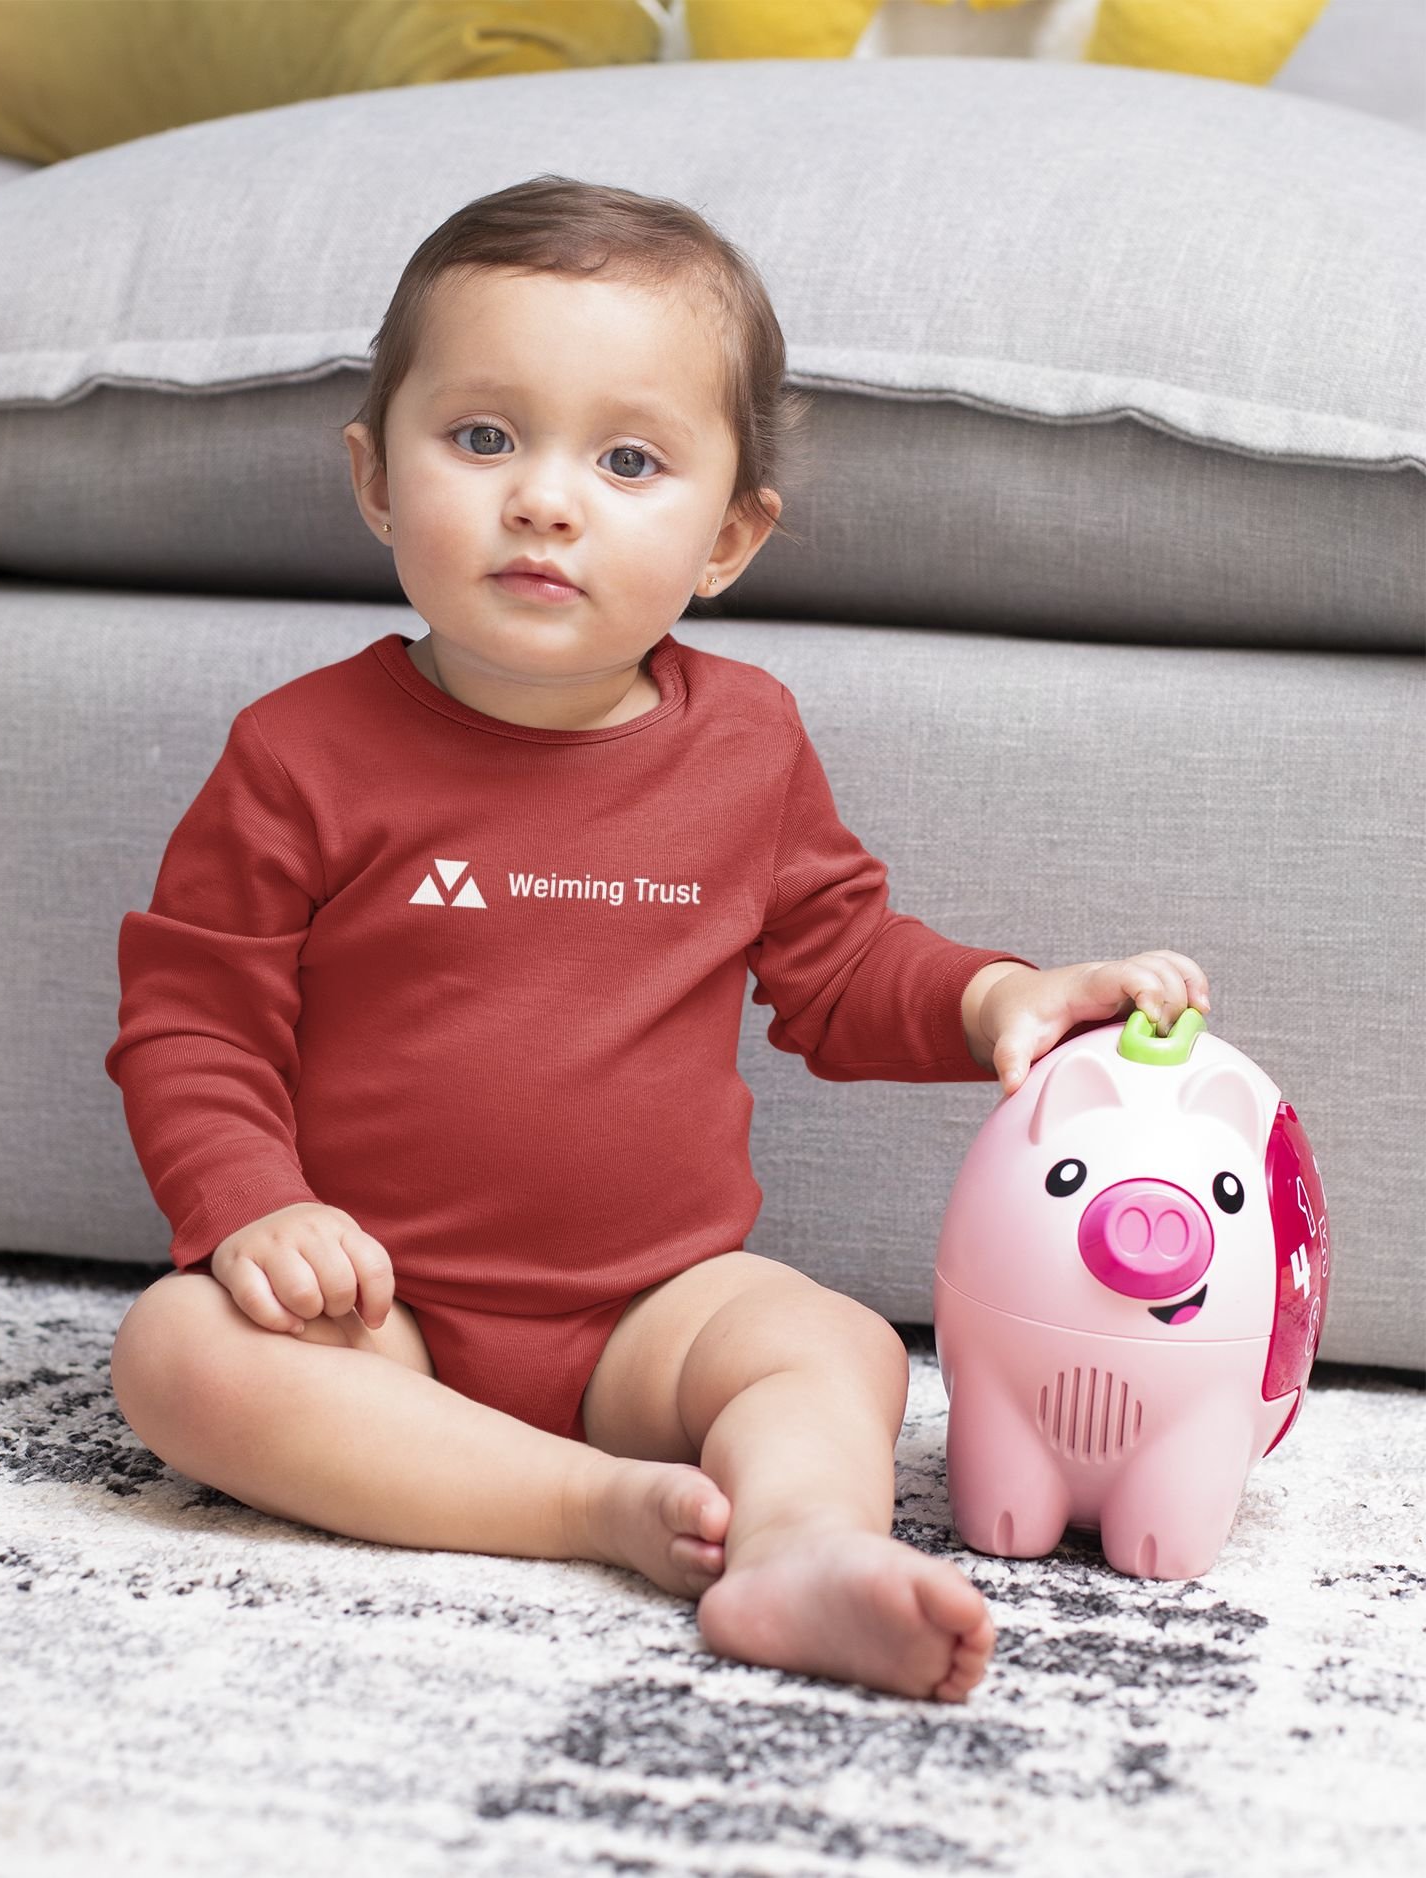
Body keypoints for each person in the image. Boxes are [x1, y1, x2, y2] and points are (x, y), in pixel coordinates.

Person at [105, 174, 1211, 1706]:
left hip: (648, 1314)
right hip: (378, 1320)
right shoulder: (301, 752)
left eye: (629, 460)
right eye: (482, 437)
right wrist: (253, 1207)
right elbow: (192, 1019)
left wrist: (996, 995)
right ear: (373, 476)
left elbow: (838, 963)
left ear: (729, 538)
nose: (546, 498)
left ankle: (798, 1547)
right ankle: (588, 1509)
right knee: (175, 1354)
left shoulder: (744, 744)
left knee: (834, 1345)